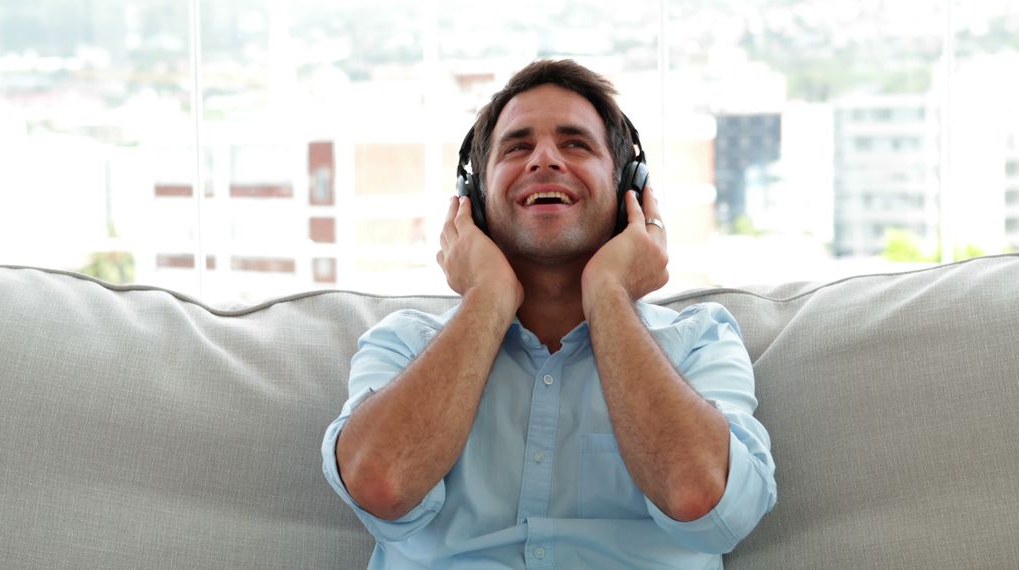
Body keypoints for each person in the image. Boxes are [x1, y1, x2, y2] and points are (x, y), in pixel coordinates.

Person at [322, 59, 776, 569]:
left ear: (629, 187)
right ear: (471, 199)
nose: (544, 160)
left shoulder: (699, 342)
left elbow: (704, 502)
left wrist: (608, 293)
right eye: (516, 147)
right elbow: (381, 484)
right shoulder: (404, 344)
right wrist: (488, 296)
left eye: (575, 144)